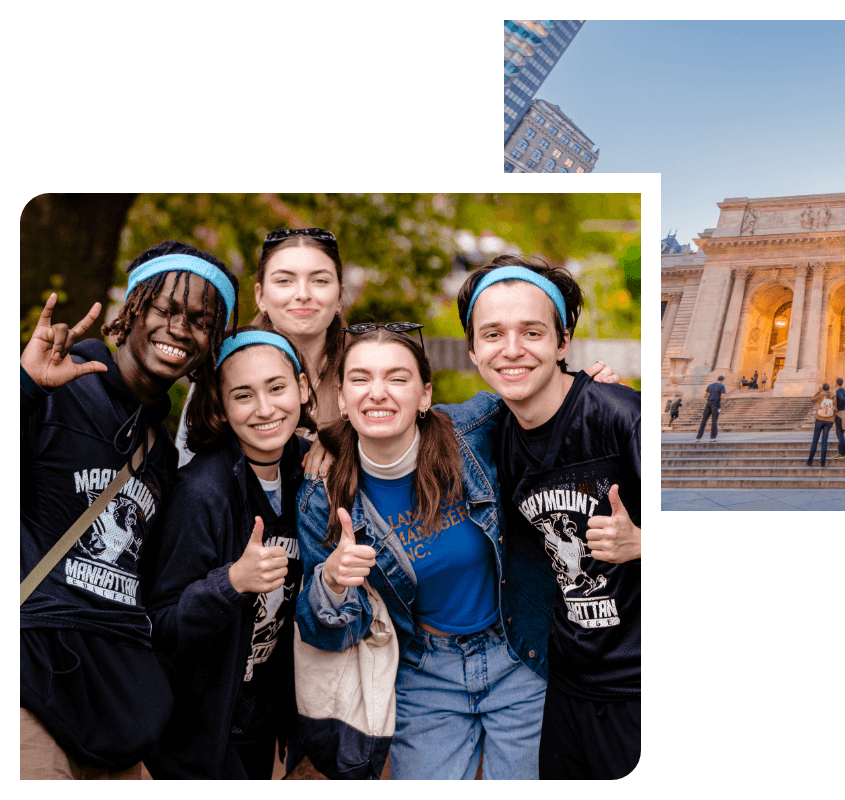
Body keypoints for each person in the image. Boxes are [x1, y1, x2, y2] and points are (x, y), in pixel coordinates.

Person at [295, 325, 552, 780]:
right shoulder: (323, 495)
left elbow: (541, 395)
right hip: (424, 671)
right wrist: (332, 581)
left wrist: (589, 388)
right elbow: (325, 634)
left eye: (397, 378)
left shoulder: (469, 433)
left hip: (517, 653)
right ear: (340, 396)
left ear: (425, 394)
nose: (377, 393)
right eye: (360, 379)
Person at [21, 240, 237, 779]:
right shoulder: (58, 386)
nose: (181, 329)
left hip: (118, 709)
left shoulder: (161, 452)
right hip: (34, 682)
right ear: (134, 309)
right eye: (167, 309)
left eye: (202, 321)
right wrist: (23, 388)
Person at [457, 256, 641, 781]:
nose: (511, 349)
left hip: (636, 684)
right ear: (473, 350)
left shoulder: (622, 418)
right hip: (563, 680)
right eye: (492, 334)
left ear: (563, 343)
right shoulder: (496, 440)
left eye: (532, 332)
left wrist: (644, 542)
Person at [145, 328, 314, 778]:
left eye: (277, 388)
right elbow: (161, 626)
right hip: (196, 735)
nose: (265, 409)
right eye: (243, 395)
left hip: (260, 719)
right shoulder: (201, 494)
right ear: (220, 405)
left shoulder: (311, 470)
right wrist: (231, 582)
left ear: (301, 386)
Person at [177, 227, 345, 482]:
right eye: (284, 280)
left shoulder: (364, 378)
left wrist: (347, 443)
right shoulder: (222, 369)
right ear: (260, 296)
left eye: (320, 280)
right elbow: (188, 470)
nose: (302, 294)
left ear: (340, 296)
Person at [805, 382, 835, 467]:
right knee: (824, 442)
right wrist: (833, 420)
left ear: (822, 388)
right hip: (829, 420)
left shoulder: (820, 395)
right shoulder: (833, 396)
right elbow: (835, 408)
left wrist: (819, 392)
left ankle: (809, 462)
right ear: (829, 388)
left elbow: (812, 399)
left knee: (815, 441)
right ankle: (822, 463)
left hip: (819, 419)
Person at [696, 376, 726, 442]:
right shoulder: (721, 386)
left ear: (717, 379)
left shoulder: (710, 385)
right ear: (722, 380)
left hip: (708, 403)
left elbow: (704, 395)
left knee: (704, 420)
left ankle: (698, 437)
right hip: (715, 404)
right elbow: (722, 396)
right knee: (714, 421)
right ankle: (713, 438)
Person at [832, 377, 845, 460]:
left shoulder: (838, 391)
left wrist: (838, 408)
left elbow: (842, 399)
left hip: (840, 414)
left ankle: (841, 453)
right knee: (841, 434)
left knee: (839, 433)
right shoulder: (844, 391)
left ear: (836, 383)